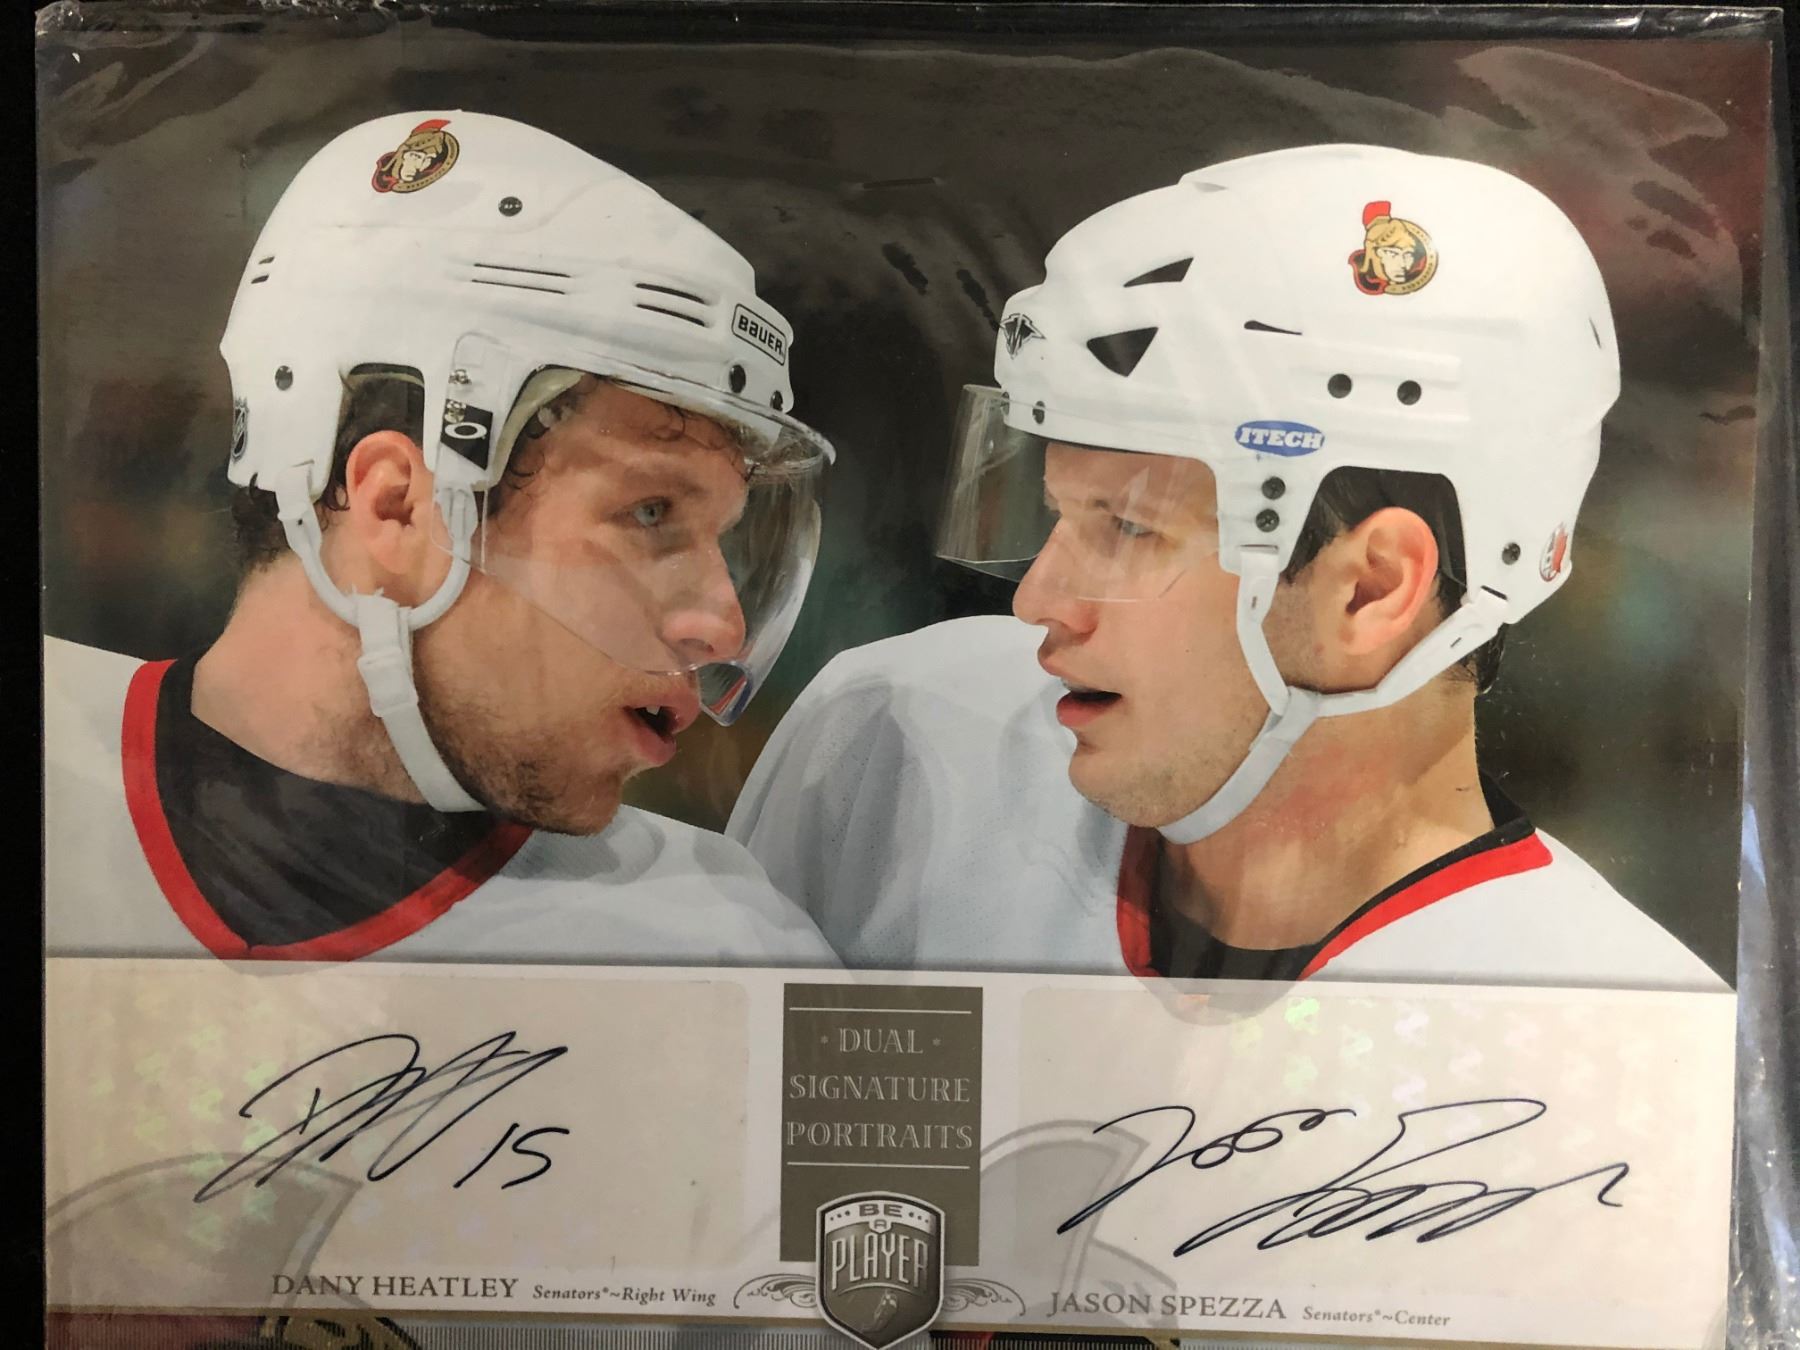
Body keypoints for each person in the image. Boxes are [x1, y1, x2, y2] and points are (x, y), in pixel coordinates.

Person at [729, 142, 1721, 988]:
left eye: (1128, 529)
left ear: (1371, 589)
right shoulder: (903, 743)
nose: (1038, 599)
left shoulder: (1606, 1040)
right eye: (1057, 512)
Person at [43, 111, 836, 966]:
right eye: (650, 512)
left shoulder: (720, 952)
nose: (723, 626)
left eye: (722, 535)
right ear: (398, 505)